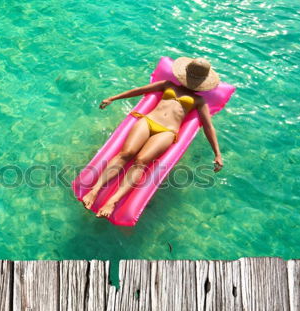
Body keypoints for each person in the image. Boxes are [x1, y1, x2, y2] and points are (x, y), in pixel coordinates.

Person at [82, 57, 224, 218]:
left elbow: (208, 126)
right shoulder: (167, 85)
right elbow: (140, 90)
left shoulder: (199, 101)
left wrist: (217, 153)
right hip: (148, 121)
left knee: (141, 161)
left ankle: (113, 200)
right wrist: (112, 98)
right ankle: (94, 191)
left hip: (167, 131)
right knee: (125, 153)